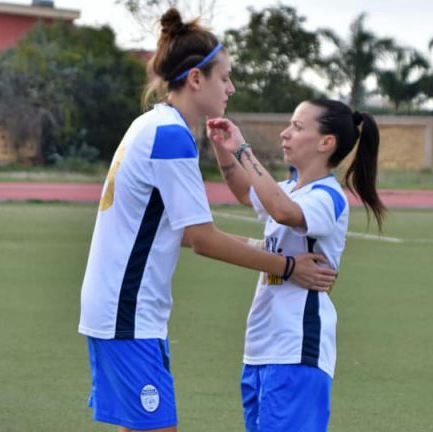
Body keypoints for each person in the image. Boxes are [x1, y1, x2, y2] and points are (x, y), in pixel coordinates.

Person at [78, 8, 338, 432]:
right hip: (127, 312)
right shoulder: (171, 136)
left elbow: (175, 233)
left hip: (123, 310)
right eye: (225, 77)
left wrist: (261, 248)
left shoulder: (153, 124)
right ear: (196, 79)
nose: (231, 88)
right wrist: (289, 266)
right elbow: (201, 238)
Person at [206, 99, 385, 431]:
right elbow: (245, 192)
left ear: (326, 142)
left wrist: (243, 149)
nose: (285, 133)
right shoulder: (289, 188)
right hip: (262, 346)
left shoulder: (327, 196)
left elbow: (283, 212)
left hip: (297, 346)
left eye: (298, 127)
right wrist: (223, 147)